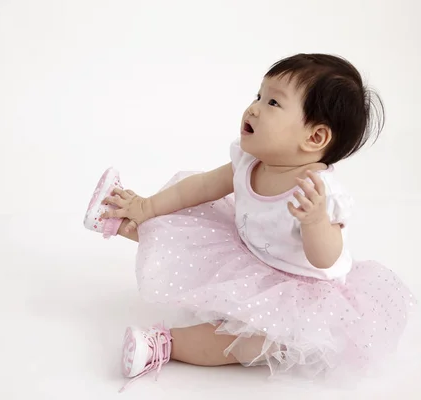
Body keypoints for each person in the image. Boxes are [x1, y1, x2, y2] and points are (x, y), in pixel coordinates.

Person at [82, 53, 417, 391]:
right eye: (258, 95)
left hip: (299, 291)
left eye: (273, 102)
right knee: (189, 228)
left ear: (314, 138)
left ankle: (162, 345)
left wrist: (315, 221)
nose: (254, 107)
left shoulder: (318, 194)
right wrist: (147, 205)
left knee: (251, 343)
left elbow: (325, 258)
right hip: (249, 252)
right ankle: (117, 219)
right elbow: (199, 187)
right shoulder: (249, 162)